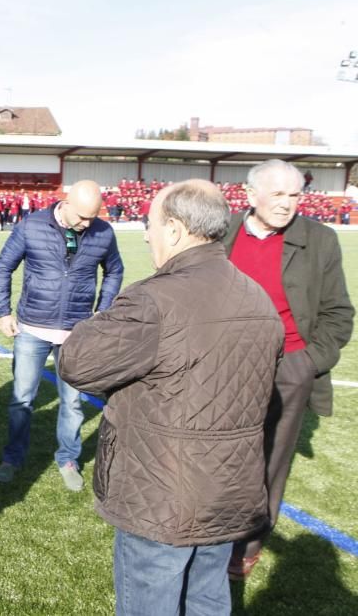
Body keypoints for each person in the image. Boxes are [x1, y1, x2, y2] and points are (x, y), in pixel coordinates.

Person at [60, 180, 283, 616]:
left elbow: (76, 362)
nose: (146, 234)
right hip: (228, 492)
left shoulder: (154, 300)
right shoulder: (258, 297)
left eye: (150, 224)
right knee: (208, 599)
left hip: (162, 494)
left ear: (176, 230)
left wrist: (104, 319)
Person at [223, 160, 354, 579]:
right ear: (251, 196)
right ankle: (213, 531)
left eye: (294, 195)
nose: (286, 204)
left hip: (290, 367)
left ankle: (249, 540)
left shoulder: (319, 239)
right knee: (221, 453)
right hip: (224, 364)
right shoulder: (221, 233)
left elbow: (338, 313)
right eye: (277, 194)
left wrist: (307, 363)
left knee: (271, 459)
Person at [0, 180, 123, 490]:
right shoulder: (31, 225)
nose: (87, 223)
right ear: (66, 202)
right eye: (81, 217)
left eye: (92, 217)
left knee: (73, 403)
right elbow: (3, 266)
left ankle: (68, 458)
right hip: (31, 330)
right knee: (22, 400)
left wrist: (102, 309)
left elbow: (114, 270)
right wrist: (3, 311)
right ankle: (12, 457)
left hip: (76, 334)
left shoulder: (103, 232)